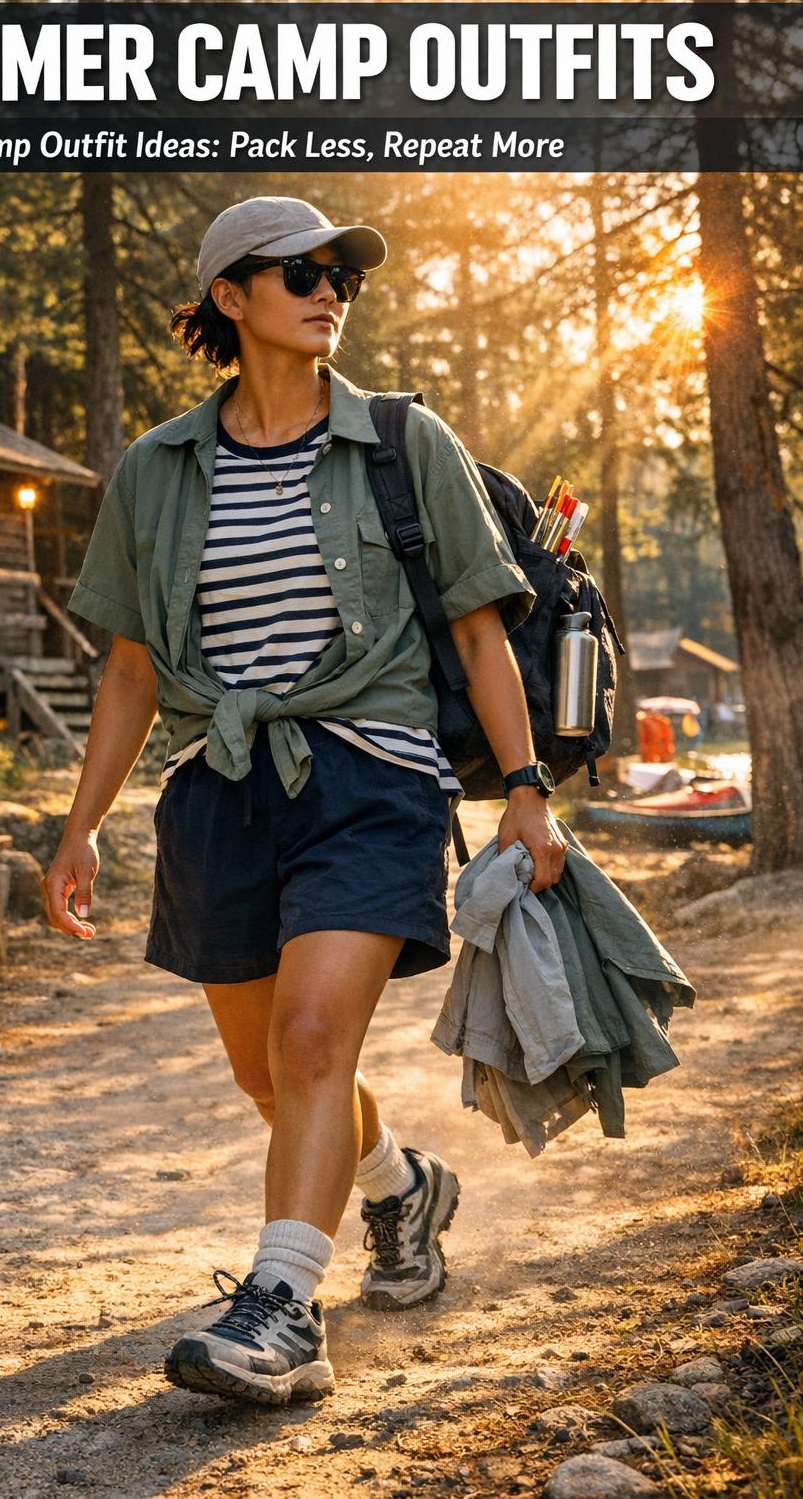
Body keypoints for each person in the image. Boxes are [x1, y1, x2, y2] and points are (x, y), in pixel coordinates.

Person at [42, 195, 569, 1407]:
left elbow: (478, 632)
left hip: (371, 775)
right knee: (269, 1077)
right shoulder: (157, 470)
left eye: (341, 273)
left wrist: (525, 790)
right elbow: (129, 670)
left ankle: (282, 1307)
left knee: (315, 1039)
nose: (329, 289)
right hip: (218, 790)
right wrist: (81, 827)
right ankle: (400, 1188)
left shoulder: (401, 440)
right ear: (229, 298)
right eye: (299, 272)